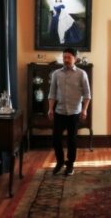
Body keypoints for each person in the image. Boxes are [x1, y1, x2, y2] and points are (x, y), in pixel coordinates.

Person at [48, 47, 91, 175]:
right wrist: (50, 109)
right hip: (59, 111)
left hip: (74, 112)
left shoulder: (81, 74)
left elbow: (87, 94)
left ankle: (70, 164)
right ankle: (60, 162)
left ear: (75, 59)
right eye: (64, 57)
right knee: (56, 139)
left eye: (69, 57)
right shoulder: (56, 74)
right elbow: (52, 93)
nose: (66, 60)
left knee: (71, 140)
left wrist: (84, 110)